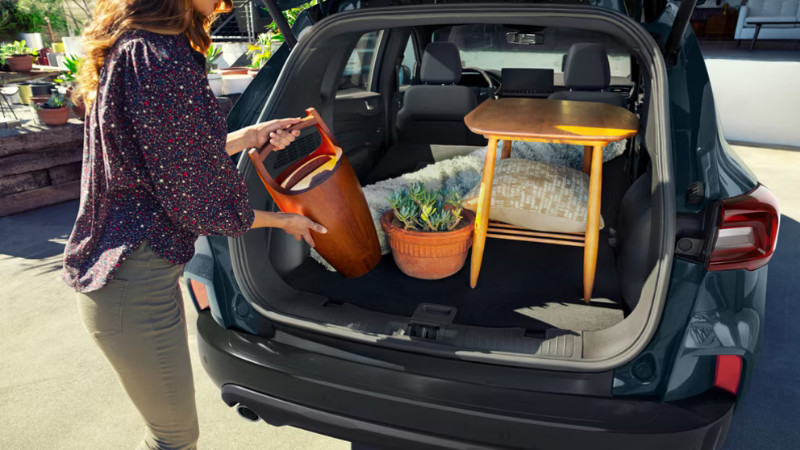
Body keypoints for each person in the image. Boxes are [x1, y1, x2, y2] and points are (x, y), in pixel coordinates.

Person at [61, 0, 327, 448]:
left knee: (171, 437)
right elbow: (196, 198)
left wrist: (251, 136)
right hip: (133, 283)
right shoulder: (161, 58)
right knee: (174, 440)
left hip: (129, 276)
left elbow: (172, 160)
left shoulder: (136, 48)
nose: (227, 4)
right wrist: (281, 221)